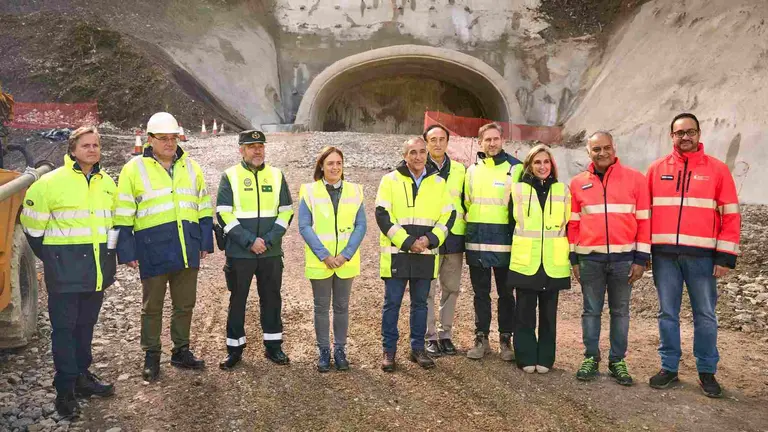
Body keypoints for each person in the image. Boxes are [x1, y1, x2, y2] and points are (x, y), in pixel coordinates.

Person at [21, 126, 116, 417]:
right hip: (64, 275)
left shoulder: (107, 183)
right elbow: (33, 230)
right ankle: (64, 392)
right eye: (85, 145)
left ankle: (81, 377)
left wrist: (108, 258)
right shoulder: (49, 184)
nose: (92, 150)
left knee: (85, 327)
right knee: (64, 331)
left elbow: (114, 226)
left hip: (96, 272)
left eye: (96, 145)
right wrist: (55, 259)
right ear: (72, 150)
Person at [646, 113, 741, 398]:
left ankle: (706, 371)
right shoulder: (655, 169)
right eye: (679, 133)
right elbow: (644, 214)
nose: (685, 137)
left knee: (705, 315)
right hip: (664, 257)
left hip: (703, 258)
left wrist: (725, 256)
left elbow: (731, 215)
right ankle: (669, 367)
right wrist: (643, 252)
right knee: (667, 313)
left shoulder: (718, 170)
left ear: (699, 134)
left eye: (690, 132)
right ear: (671, 136)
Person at [114, 112, 213, 382]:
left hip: (186, 246)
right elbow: (123, 212)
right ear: (150, 139)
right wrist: (127, 250)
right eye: (164, 139)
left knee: (185, 304)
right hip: (152, 248)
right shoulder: (133, 169)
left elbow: (203, 205)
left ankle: (181, 350)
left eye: (173, 138)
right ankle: (152, 354)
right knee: (152, 306)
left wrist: (205, 240)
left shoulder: (191, 167)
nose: (170, 143)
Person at [568, 131, 650, 386]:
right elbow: (573, 224)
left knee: (620, 312)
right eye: (596, 149)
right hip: (590, 260)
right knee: (591, 311)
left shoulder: (636, 180)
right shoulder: (577, 183)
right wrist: (574, 259)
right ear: (588, 152)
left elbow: (645, 221)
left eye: (606, 148)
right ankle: (591, 357)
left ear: (614, 148)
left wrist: (641, 258)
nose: (602, 153)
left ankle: (617, 360)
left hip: (624, 260)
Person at [376, 137, 456, 372]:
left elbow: (448, 216)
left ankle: (417, 349)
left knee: (420, 304)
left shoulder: (439, 183)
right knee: (392, 304)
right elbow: (382, 215)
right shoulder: (389, 181)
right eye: (413, 152)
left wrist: (429, 240)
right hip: (397, 253)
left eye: (422, 152)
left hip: (426, 253)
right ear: (405, 156)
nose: (418, 156)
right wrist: (408, 242)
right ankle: (389, 351)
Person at [216, 130, 294, 369]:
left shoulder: (277, 175)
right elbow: (223, 213)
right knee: (238, 299)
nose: (257, 150)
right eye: (251, 146)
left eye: (260, 145)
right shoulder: (230, 176)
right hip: (240, 252)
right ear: (241, 150)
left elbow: (286, 211)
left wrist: (268, 241)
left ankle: (273, 347)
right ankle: (235, 349)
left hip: (269, 252)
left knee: (271, 298)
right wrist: (250, 241)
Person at [298, 146, 366, 372]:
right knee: (321, 307)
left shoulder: (355, 191)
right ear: (321, 166)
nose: (335, 167)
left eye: (338, 163)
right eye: (330, 163)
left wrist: (345, 254)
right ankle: (324, 351)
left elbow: (361, 226)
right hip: (321, 261)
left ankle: (340, 349)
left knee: (341, 307)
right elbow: (304, 226)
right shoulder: (309, 191)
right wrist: (325, 255)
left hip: (345, 262)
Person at [508, 144, 571, 373]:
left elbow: (569, 225)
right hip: (526, 260)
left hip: (553, 261)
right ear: (529, 166)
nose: (542, 166)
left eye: (546, 162)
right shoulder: (518, 190)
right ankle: (525, 356)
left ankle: (545, 357)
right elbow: (509, 224)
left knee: (548, 313)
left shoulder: (562, 190)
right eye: (537, 162)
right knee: (524, 312)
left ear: (552, 165)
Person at [464, 122, 522, 360]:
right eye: (487, 140)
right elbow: (467, 202)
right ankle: (481, 338)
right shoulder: (472, 170)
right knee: (481, 294)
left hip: (506, 243)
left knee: (506, 294)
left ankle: (506, 340)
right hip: (477, 241)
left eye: (495, 139)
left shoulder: (515, 169)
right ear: (480, 143)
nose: (492, 143)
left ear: (502, 140)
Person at [423, 125, 466, 357]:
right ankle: (429, 336)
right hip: (430, 238)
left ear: (448, 142)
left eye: (442, 139)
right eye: (433, 140)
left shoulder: (460, 170)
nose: (437, 144)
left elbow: (466, 203)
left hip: (455, 237)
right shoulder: (420, 169)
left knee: (451, 288)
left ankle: (445, 334)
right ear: (426, 143)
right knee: (428, 289)